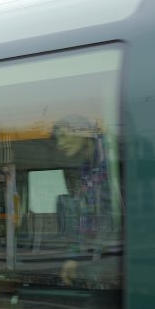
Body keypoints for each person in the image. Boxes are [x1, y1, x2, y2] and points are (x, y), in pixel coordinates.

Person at [51, 116, 115, 287]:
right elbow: (86, 217)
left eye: (63, 136)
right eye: (57, 140)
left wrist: (79, 257)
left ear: (83, 132)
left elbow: (108, 215)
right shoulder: (86, 168)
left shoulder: (112, 156)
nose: (59, 145)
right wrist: (75, 256)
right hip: (99, 253)